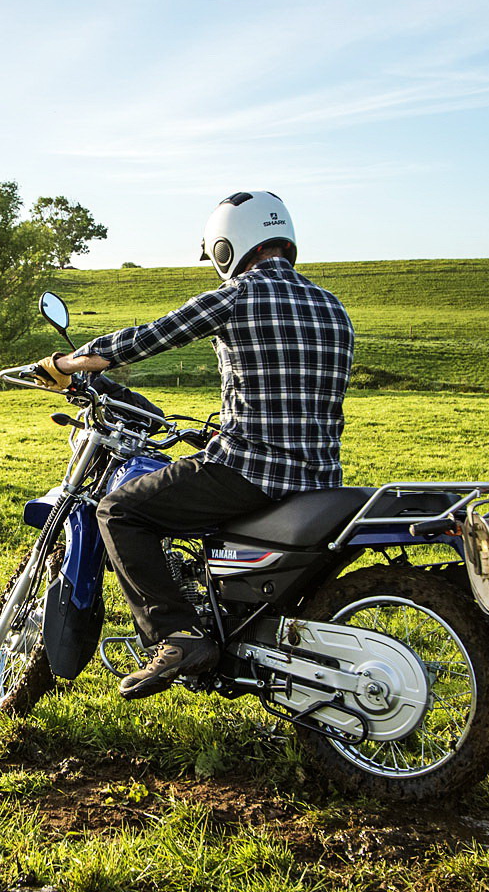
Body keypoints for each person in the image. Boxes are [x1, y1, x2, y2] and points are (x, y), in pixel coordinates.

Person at [33, 191, 354, 699]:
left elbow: (150, 337)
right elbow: (292, 396)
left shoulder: (239, 294)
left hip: (250, 474)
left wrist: (68, 363)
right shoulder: (331, 305)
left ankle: (177, 636)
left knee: (119, 511)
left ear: (228, 247)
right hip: (320, 478)